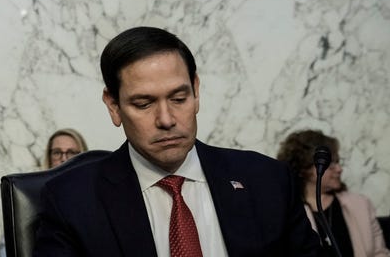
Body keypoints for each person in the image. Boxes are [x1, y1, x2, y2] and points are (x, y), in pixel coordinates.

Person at [34, 26, 321, 256]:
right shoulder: (72, 201)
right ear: (113, 105)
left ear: (196, 91)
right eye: (144, 104)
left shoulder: (267, 180)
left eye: (179, 98)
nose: (166, 119)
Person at [277, 129, 390, 256]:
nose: (339, 169)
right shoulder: (287, 213)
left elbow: (380, 253)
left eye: (338, 162)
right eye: (330, 163)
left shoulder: (361, 204)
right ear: (304, 169)